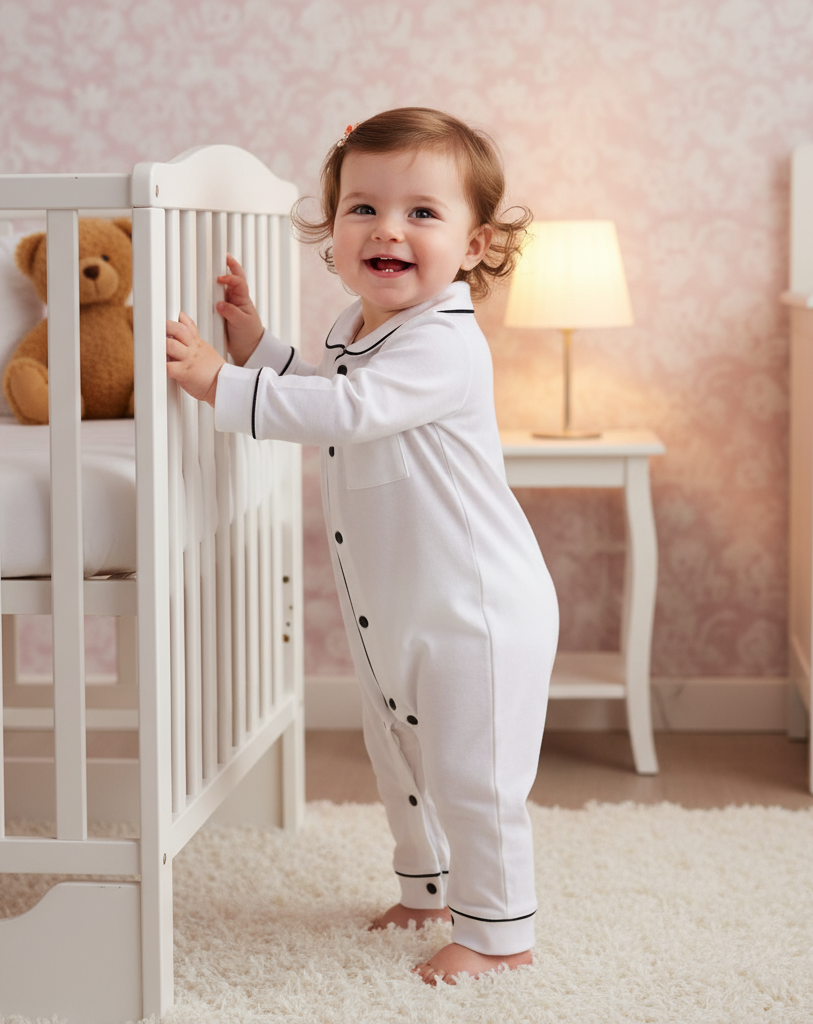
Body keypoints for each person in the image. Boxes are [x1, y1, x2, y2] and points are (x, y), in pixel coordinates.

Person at [165, 107, 558, 985]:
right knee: (400, 756)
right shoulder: (362, 329)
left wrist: (219, 385)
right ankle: (427, 890)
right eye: (363, 209)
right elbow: (328, 384)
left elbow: (348, 411)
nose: (389, 228)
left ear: (477, 246)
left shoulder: (445, 345)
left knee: (472, 777)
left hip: (478, 611)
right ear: (333, 231)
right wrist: (260, 347)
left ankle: (501, 933)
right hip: (401, 607)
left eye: (423, 212)